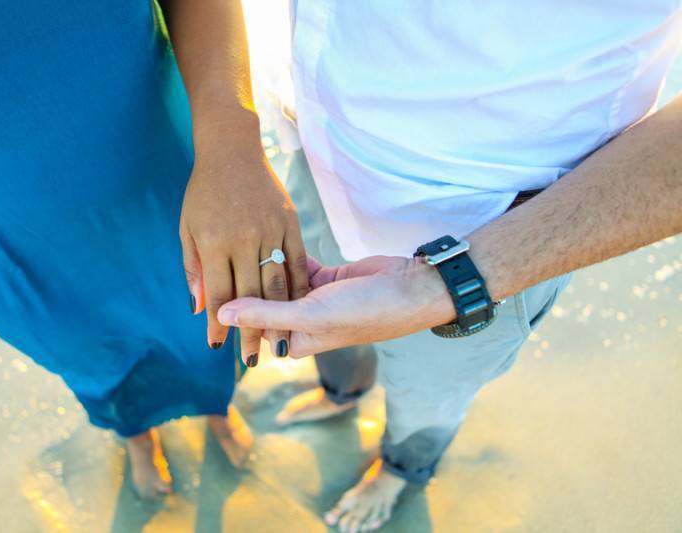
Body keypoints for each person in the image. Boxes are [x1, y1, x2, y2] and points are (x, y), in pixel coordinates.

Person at [217, 3, 682, 531]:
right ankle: (341, 394)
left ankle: (403, 469)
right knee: (319, 323)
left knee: (428, 394)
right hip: (316, 153)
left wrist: (448, 285)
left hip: (493, 232)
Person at [0, 0, 306, 498]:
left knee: (196, 309)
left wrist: (233, 141)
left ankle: (216, 405)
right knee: (81, 342)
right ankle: (135, 432)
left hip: (148, 149)